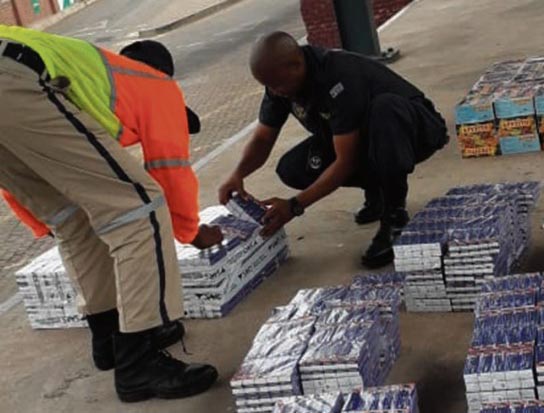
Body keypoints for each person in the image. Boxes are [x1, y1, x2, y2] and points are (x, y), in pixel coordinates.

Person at [0, 26, 222, 402]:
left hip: (11, 78)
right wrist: (191, 232)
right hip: (12, 75)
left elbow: (27, 183)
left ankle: (109, 339)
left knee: (73, 217)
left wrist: (43, 221)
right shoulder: (158, 85)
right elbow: (170, 172)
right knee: (138, 208)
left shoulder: (88, 78)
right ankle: (139, 359)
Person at [219, 31, 449, 268]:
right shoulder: (279, 83)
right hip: (365, 137)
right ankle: (376, 189)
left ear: (296, 66)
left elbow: (345, 161)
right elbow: (263, 139)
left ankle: (394, 217)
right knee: (292, 168)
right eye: (268, 86)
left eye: (277, 85)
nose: (275, 91)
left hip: (413, 132)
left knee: (385, 110)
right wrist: (238, 174)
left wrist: (294, 206)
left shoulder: (338, 75)